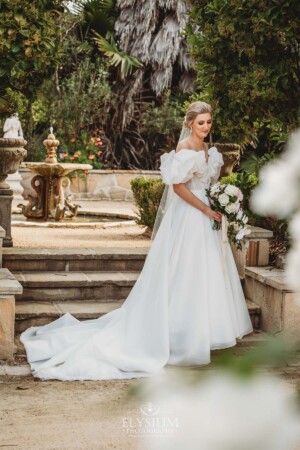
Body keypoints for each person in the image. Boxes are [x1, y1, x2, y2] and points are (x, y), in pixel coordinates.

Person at [20, 101, 253, 381]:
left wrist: (221, 202)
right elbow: (178, 188)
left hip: (209, 216)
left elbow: (209, 184)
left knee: (207, 274)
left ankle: (206, 334)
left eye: (209, 122)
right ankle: (180, 339)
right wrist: (204, 208)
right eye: (201, 122)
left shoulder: (208, 151)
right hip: (190, 217)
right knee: (186, 273)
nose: (205, 127)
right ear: (189, 123)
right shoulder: (184, 150)